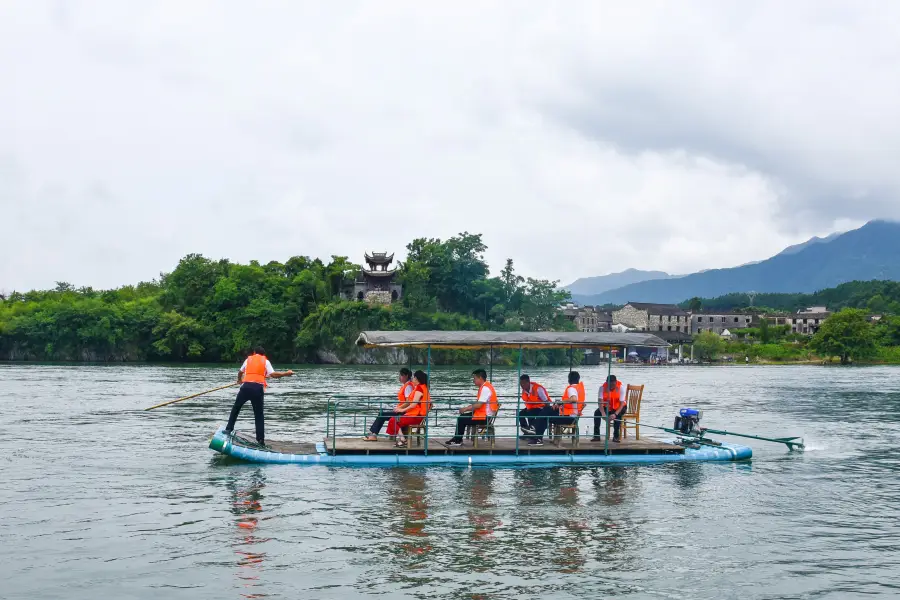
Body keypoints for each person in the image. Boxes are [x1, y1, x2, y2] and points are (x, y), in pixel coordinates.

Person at [224, 346, 294, 447]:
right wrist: (286, 373)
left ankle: (229, 429)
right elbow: (273, 374)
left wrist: (239, 380)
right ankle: (260, 440)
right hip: (257, 389)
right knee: (259, 415)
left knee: (236, 408)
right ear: (263, 354)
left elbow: (240, 372)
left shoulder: (248, 359)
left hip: (246, 388)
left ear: (254, 353)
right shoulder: (265, 361)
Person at [445, 369, 498, 446]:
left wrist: (465, 408)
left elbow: (478, 405)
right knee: (462, 417)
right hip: (483, 414)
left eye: (475, 378)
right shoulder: (484, 387)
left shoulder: (485, 389)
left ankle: (458, 440)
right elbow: (478, 404)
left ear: (480, 378)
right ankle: (457, 438)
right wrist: (467, 408)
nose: (474, 380)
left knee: (461, 419)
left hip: (485, 417)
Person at [530, 371, 582, 445]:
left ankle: (537, 435)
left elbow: (574, 399)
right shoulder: (579, 389)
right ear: (578, 379)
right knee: (546, 411)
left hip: (569, 418)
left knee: (545, 415)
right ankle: (536, 432)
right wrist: (559, 405)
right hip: (573, 417)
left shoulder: (571, 389)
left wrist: (560, 402)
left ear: (569, 379)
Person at [364, 368, 415, 441]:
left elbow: (408, 402)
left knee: (382, 414)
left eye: (401, 375)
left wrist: (399, 408)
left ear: (406, 376)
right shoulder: (406, 385)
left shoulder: (408, 387)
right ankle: (373, 433)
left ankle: (373, 434)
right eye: (400, 375)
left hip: (403, 412)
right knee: (382, 412)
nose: (400, 377)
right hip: (401, 410)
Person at [385, 371, 430, 448]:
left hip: (416, 416)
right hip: (418, 416)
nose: (412, 379)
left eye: (413, 378)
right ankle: (402, 439)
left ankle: (403, 440)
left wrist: (402, 410)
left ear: (417, 379)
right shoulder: (424, 387)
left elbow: (413, 404)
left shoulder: (419, 389)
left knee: (393, 420)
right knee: (394, 419)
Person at [592, 374, 626, 442]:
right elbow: (600, 402)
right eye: (609, 385)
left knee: (618, 417)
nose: (611, 387)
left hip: (619, 407)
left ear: (616, 382)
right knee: (596, 413)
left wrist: (615, 414)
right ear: (607, 383)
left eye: (613, 384)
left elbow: (622, 403)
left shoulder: (621, 387)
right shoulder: (602, 388)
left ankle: (616, 436)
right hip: (607, 407)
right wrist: (603, 413)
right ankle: (596, 436)